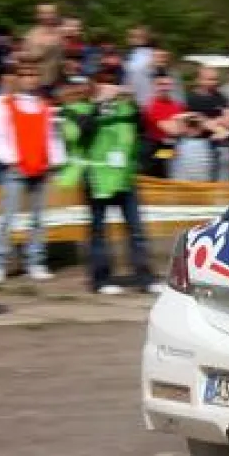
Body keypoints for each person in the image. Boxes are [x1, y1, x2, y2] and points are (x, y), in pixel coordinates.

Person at [58, 69, 159, 295]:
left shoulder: (124, 108)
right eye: (104, 83)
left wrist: (135, 102)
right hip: (97, 179)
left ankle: (145, 277)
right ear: (94, 86)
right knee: (98, 232)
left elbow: (144, 128)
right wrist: (98, 105)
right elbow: (78, 134)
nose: (109, 87)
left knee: (136, 230)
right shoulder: (76, 109)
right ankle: (100, 279)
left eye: (113, 82)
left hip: (124, 177)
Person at [0, 56, 66, 284]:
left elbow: (52, 137)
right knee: (6, 218)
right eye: (24, 75)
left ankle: (35, 262)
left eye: (33, 75)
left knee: (38, 220)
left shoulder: (45, 107)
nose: (29, 79)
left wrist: (55, 161)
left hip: (40, 169)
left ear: (38, 79)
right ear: (18, 79)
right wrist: (11, 160)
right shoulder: (3, 104)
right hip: (16, 170)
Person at [185, 66, 229, 181]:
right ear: (199, 80)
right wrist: (220, 121)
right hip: (201, 150)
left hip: (222, 147)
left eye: (215, 79)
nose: (214, 82)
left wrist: (213, 122)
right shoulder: (192, 99)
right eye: (210, 79)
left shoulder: (220, 96)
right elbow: (196, 124)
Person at [141, 72, 188, 177]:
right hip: (155, 152)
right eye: (161, 84)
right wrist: (179, 120)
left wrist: (177, 122)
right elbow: (173, 130)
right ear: (154, 86)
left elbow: (186, 129)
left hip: (172, 150)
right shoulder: (151, 107)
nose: (164, 88)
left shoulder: (178, 106)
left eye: (167, 84)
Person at [23, 3, 65, 92]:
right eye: (44, 13)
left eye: (51, 13)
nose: (48, 16)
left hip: (57, 82)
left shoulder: (60, 33)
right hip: (38, 83)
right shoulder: (32, 34)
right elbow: (27, 57)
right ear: (38, 16)